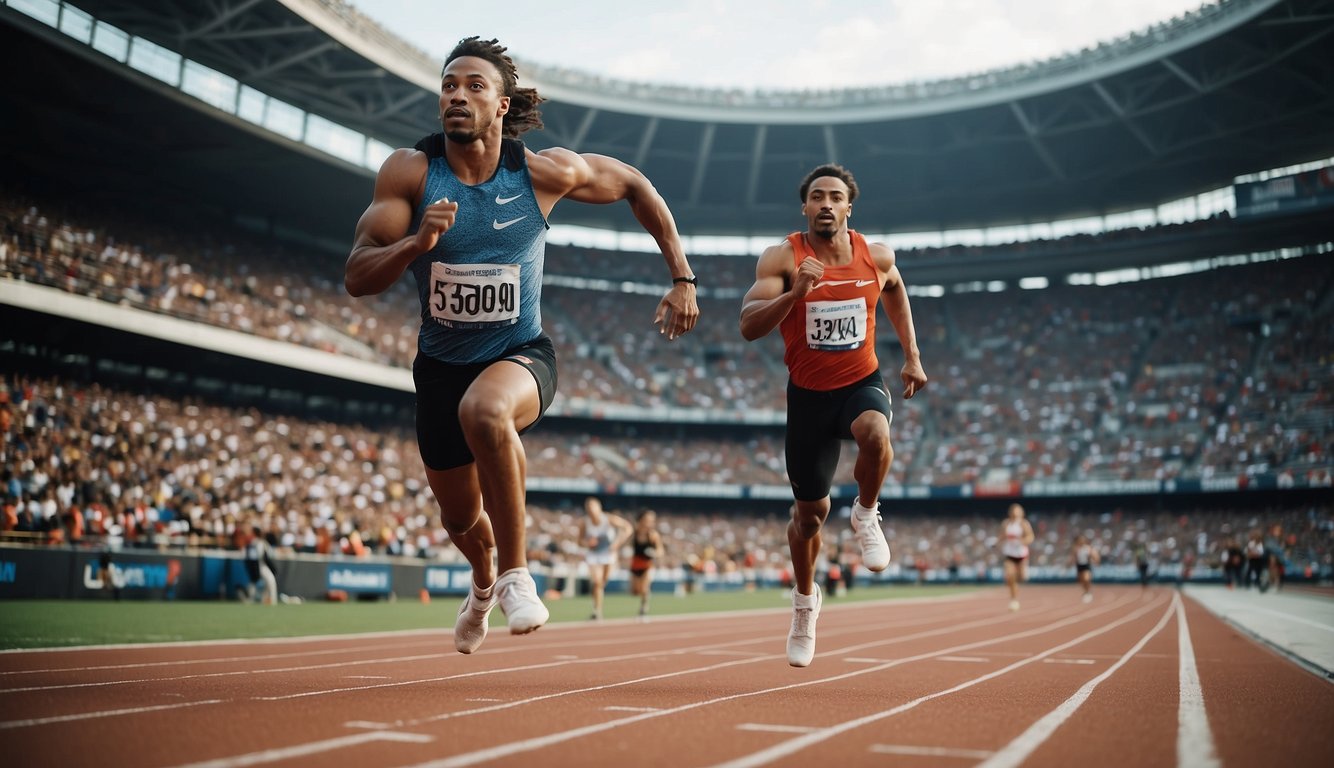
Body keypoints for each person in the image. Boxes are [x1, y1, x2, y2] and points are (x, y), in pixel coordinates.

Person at [344, 37, 699, 654]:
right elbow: (356, 277)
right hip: (440, 368)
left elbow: (636, 185)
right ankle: (483, 582)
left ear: (502, 105)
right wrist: (414, 246)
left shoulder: (542, 172)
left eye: (474, 86)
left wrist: (682, 277)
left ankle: (515, 574)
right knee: (460, 521)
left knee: (485, 411)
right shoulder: (409, 172)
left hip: (522, 355)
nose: (457, 94)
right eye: (449, 84)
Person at [739, 163, 928, 667]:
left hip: (861, 382)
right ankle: (805, 603)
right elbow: (748, 325)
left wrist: (911, 355)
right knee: (809, 517)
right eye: (817, 196)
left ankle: (866, 513)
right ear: (805, 208)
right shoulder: (782, 258)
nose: (826, 203)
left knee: (875, 433)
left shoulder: (876, 255)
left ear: (849, 208)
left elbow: (896, 291)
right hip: (808, 399)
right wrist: (794, 294)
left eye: (835, 196)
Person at [582, 497, 632, 620]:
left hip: (608, 554)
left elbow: (628, 528)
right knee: (597, 582)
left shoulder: (609, 519)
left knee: (602, 583)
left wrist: (617, 543)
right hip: (593, 555)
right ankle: (597, 611)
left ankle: (597, 603)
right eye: (588, 508)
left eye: (593, 507)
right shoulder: (584, 522)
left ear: (599, 508)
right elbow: (579, 540)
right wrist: (588, 543)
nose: (591, 510)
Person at [628, 509, 664, 618]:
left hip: (647, 565)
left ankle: (644, 607)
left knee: (644, 588)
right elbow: (628, 545)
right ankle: (643, 599)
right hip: (635, 564)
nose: (650, 523)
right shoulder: (634, 533)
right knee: (634, 592)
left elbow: (660, 551)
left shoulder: (653, 535)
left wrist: (654, 553)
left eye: (652, 520)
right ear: (641, 520)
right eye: (648, 520)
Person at [1000, 503, 1035, 611]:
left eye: (1017, 511)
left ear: (1021, 512)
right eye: (1013, 511)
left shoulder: (1024, 524)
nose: (1015, 513)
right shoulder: (1006, 523)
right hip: (1009, 554)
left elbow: (1031, 537)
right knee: (1011, 576)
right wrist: (996, 542)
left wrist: (1022, 541)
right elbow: (1002, 535)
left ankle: (1021, 575)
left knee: (1022, 578)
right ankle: (1014, 600)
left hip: (1021, 554)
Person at [244, 525, 278, 605]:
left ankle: (265, 600)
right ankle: (271, 601)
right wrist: (272, 568)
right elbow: (262, 557)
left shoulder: (261, 542)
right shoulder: (256, 543)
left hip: (260, 565)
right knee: (270, 581)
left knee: (267, 582)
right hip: (260, 566)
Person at [1071, 534, 1100, 603]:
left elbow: (1094, 556)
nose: (1081, 541)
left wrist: (1096, 561)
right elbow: (1074, 558)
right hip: (1079, 566)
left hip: (1086, 565)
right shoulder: (1076, 549)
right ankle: (1086, 592)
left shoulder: (1088, 548)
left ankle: (1088, 592)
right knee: (1082, 581)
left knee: (1086, 578)